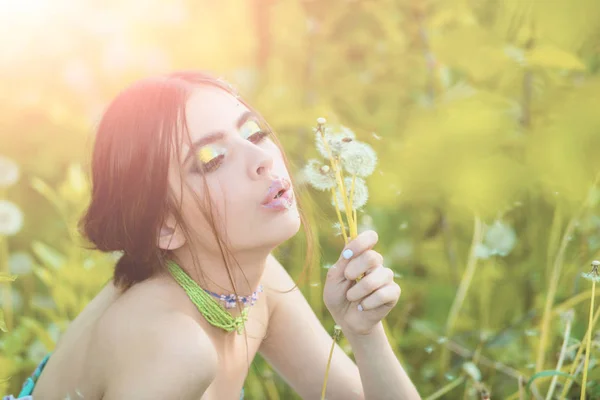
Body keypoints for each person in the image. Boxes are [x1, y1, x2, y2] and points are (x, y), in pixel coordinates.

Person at [6, 71, 421, 400]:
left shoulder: (256, 286)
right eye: (213, 159)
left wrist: (364, 335)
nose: (262, 158)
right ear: (163, 226)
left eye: (255, 133)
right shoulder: (172, 345)